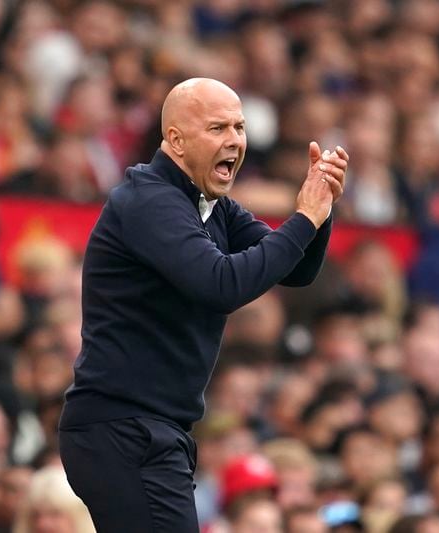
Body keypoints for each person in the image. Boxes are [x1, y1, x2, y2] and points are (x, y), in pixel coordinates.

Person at [59, 77, 347, 531]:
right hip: (123, 428)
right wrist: (304, 217)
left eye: (239, 127)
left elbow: (296, 270)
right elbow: (221, 284)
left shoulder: (212, 205)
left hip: (153, 430)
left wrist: (320, 208)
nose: (234, 140)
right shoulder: (149, 199)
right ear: (175, 139)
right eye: (218, 128)